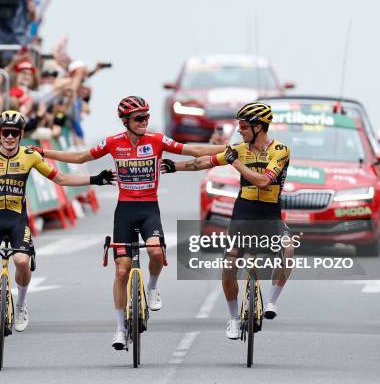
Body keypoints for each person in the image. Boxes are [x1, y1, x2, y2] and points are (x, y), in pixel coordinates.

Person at [33, 96, 228, 349]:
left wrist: (228, 149)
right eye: (139, 118)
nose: (145, 121)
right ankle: (118, 328)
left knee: (156, 251)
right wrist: (44, 152)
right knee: (122, 269)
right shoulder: (114, 143)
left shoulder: (156, 140)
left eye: (147, 117)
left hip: (149, 208)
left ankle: (153, 287)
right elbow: (81, 158)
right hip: (124, 210)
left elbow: (194, 151)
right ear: (125, 121)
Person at [0, 110, 115, 341]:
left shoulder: (30, 156)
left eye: (14, 133)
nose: (10, 137)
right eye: (6, 132)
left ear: (21, 135)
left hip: (17, 221)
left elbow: (61, 179)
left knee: (21, 261)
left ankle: (20, 304)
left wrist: (95, 179)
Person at [161, 102, 293, 340]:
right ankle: (233, 318)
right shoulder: (239, 149)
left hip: (270, 214)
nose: (240, 130)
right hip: (244, 212)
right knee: (229, 264)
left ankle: (272, 302)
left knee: (288, 249)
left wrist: (236, 163)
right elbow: (204, 162)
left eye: (243, 126)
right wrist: (174, 167)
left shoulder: (280, 150)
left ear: (259, 127)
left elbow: (263, 181)